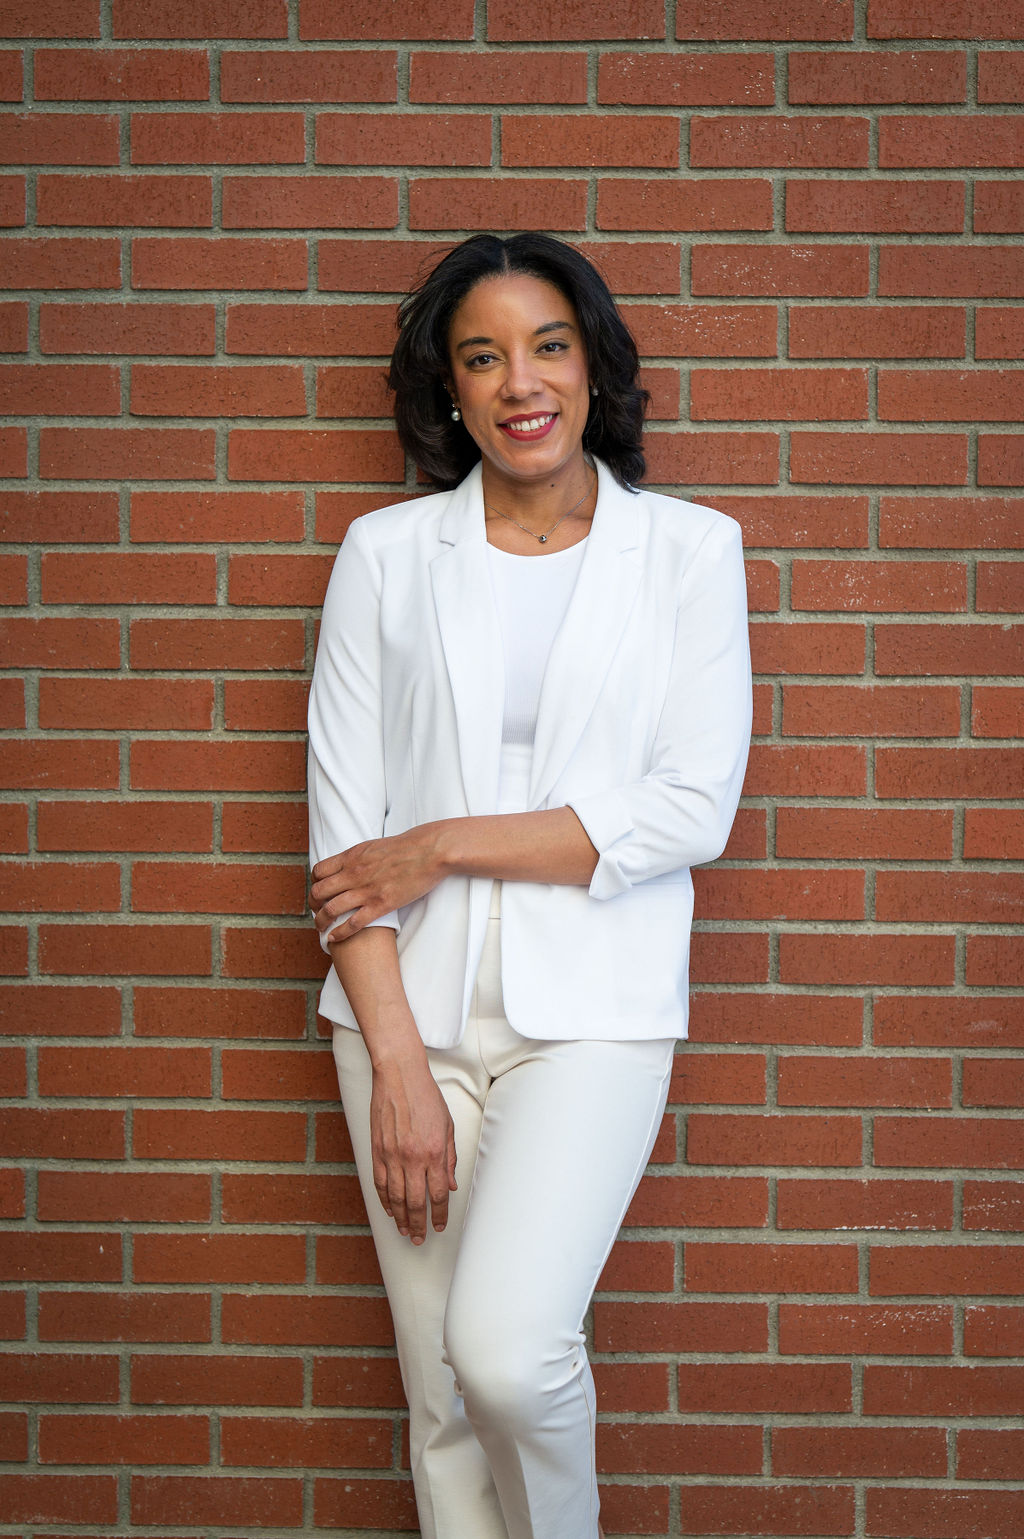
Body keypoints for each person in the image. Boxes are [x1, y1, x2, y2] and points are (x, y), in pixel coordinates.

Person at [307, 232, 752, 1539]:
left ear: (594, 364)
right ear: (449, 389)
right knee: (440, 1388)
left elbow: (689, 810)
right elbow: (344, 842)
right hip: (401, 1019)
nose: (519, 382)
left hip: (595, 1017)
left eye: (547, 346)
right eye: (481, 356)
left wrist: (442, 842)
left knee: (506, 1352)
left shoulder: (687, 554)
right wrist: (394, 1063)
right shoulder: (386, 556)